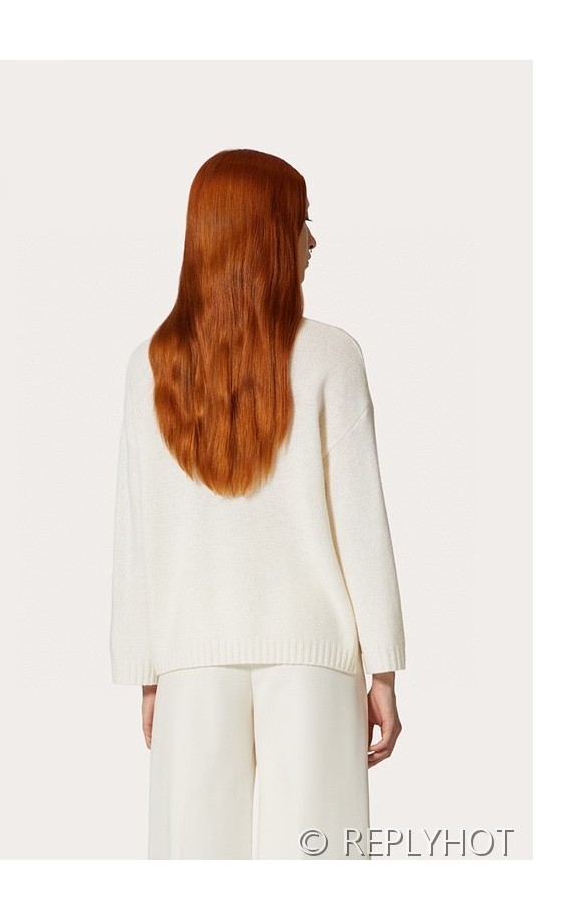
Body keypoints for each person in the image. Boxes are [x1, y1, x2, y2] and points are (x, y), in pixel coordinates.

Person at [110, 148, 406, 859]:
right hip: (315, 657)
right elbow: (360, 523)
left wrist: (146, 669)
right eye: (300, 221)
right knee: (317, 863)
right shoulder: (331, 354)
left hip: (189, 656)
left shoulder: (152, 362)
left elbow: (136, 530)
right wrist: (384, 666)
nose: (312, 240)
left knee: (193, 870)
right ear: (264, 234)